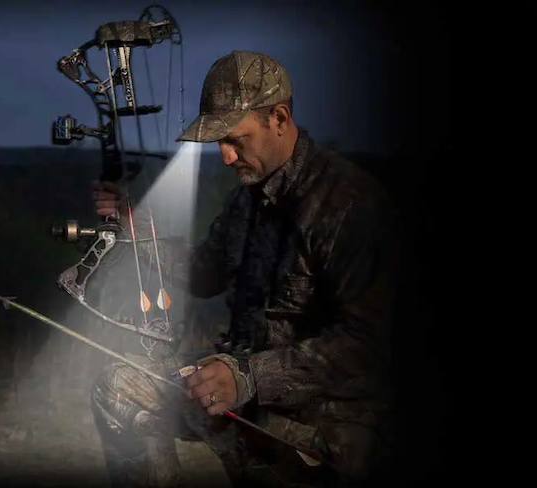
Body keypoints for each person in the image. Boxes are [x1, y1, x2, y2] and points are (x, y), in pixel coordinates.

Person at [89, 50, 400, 488]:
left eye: (236, 139)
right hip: (240, 390)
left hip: (322, 417)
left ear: (279, 117)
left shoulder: (349, 205)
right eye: (219, 143)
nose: (226, 157)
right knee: (118, 386)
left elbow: (367, 345)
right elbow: (203, 273)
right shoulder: (248, 198)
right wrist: (132, 226)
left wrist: (251, 377)